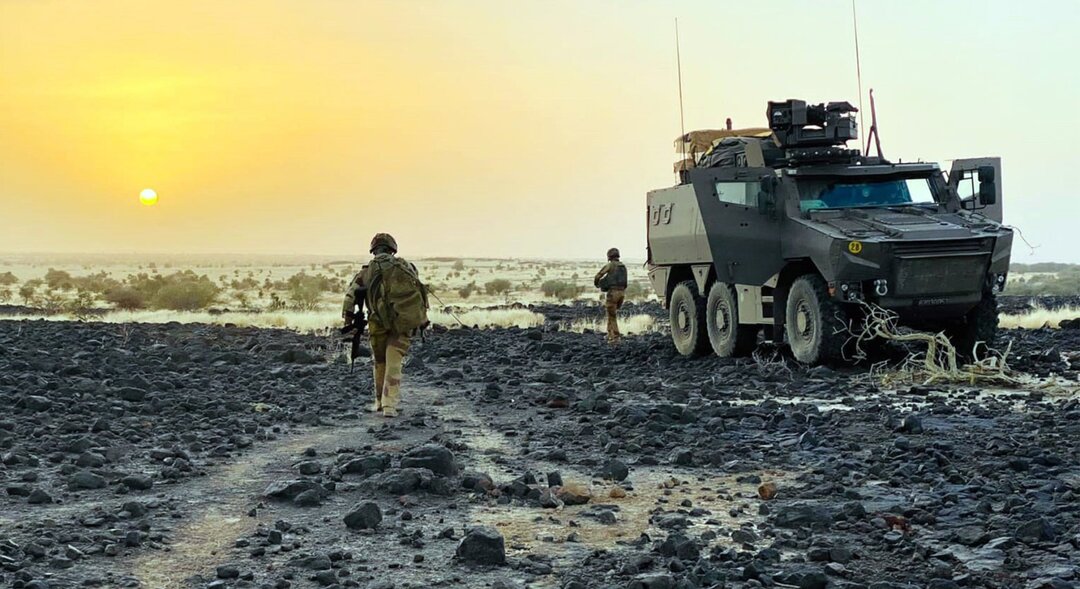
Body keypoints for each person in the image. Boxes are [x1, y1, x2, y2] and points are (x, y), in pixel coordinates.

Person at [342, 233, 428, 417]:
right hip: (402, 322)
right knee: (394, 362)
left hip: (377, 322)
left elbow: (350, 297)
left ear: (373, 250)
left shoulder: (366, 272)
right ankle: (390, 406)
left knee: (380, 361)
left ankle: (379, 402)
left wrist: (348, 321)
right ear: (393, 249)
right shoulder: (407, 268)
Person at [593, 247, 628, 344]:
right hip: (622, 293)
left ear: (609, 256)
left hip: (613, 293)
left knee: (612, 316)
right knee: (611, 314)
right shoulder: (623, 266)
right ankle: (609, 334)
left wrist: (597, 283)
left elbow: (598, 275)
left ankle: (615, 338)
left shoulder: (610, 265)